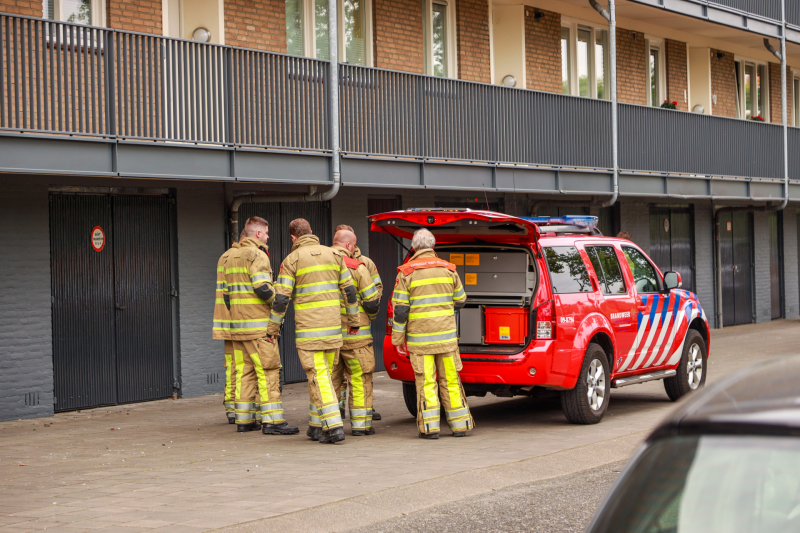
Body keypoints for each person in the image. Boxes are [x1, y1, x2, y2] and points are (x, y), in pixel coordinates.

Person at [267, 218, 360, 444]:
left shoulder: (292, 260)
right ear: (311, 231)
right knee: (323, 377)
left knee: (319, 378)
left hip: (310, 334)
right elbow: (349, 292)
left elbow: (281, 299)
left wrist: (273, 329)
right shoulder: (335, 255)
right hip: (333, 332)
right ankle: (317, 426)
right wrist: (354, 321)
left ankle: (333, 427)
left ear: (293, 237)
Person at [391, 229, 474, 439]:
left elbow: (400, 311)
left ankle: (430, 429)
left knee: (427, 382)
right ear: (433, 245)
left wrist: (398, 339)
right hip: (446, 340)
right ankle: (460, 426)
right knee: (451, 380)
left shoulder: (406, 272)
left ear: (414, 247)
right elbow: (461, 300)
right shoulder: (448, 269)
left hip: (421, 343)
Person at [222, 217, 299, 435]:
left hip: (238, 329)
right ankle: (273, 422)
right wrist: (278, 301)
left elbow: (227, 295)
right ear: (257, 234)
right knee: (268, 371)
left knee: (244, 373)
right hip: (258, 329)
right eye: (266, 233)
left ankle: (245, 420)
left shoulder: (231, 256)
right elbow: (262, 288)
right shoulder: (257, 254)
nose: (267, 237)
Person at [330, 229, 382, 435]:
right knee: (360, 378)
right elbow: (372, 301)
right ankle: (361, 426)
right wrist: (370, 316)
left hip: (328, 336)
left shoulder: (320, 266)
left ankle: (325, 426)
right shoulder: (357, 266)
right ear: (349, 245)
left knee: (329, 381)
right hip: (356, 337)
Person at [213, 239, 239, 424]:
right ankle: (245, 408)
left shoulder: (225, 256)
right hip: (242, 322)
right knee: (245, 367)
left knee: (232, 365)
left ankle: (231, 407)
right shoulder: (244, 256)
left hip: (227, 322)